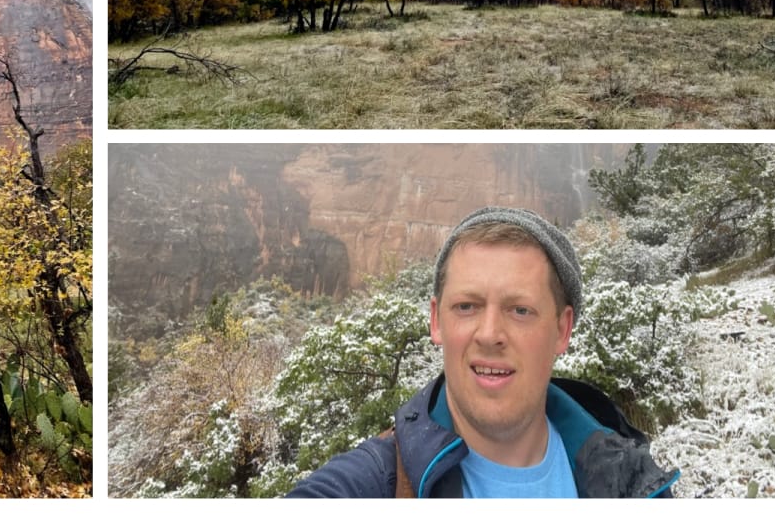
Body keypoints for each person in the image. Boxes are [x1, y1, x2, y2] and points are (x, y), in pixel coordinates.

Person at [286, 207, 678, 498]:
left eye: (520, 310)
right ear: (437, 321)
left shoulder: (635, 481)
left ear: (562, 330)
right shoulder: (374, 483)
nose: (489, 334)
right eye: (467, 306)